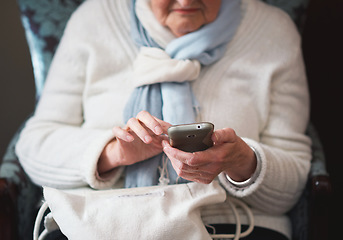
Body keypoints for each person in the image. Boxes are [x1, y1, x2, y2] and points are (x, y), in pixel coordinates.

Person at [16, 0, 311, 239]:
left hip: (230, 224)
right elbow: (35, 145)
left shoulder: (274, 31)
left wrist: (243, 161)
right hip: (101, 220)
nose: (186, 1)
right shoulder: (92, 20)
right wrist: (113, 154)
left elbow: (294, 181)